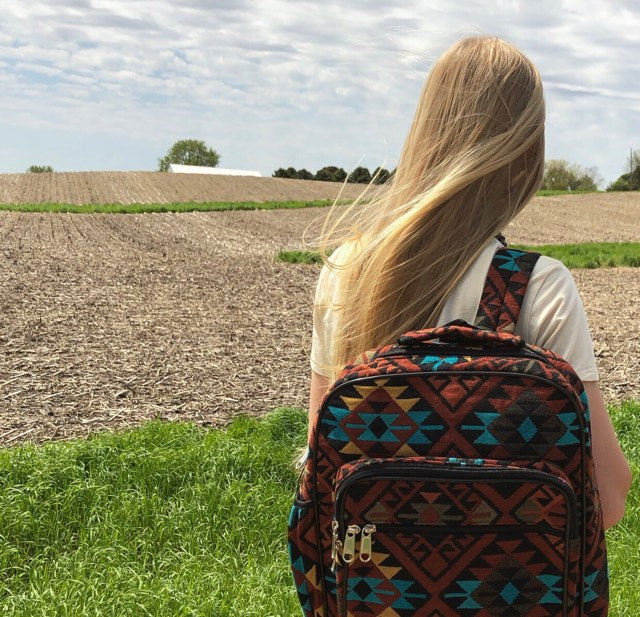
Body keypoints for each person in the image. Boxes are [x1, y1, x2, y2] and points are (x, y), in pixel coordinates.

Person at [307, 36, 631, 529]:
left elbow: (320, 473)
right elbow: (606, 497)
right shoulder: (537, 288)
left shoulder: (346, 273)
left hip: (372, 595)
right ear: (525, 150)